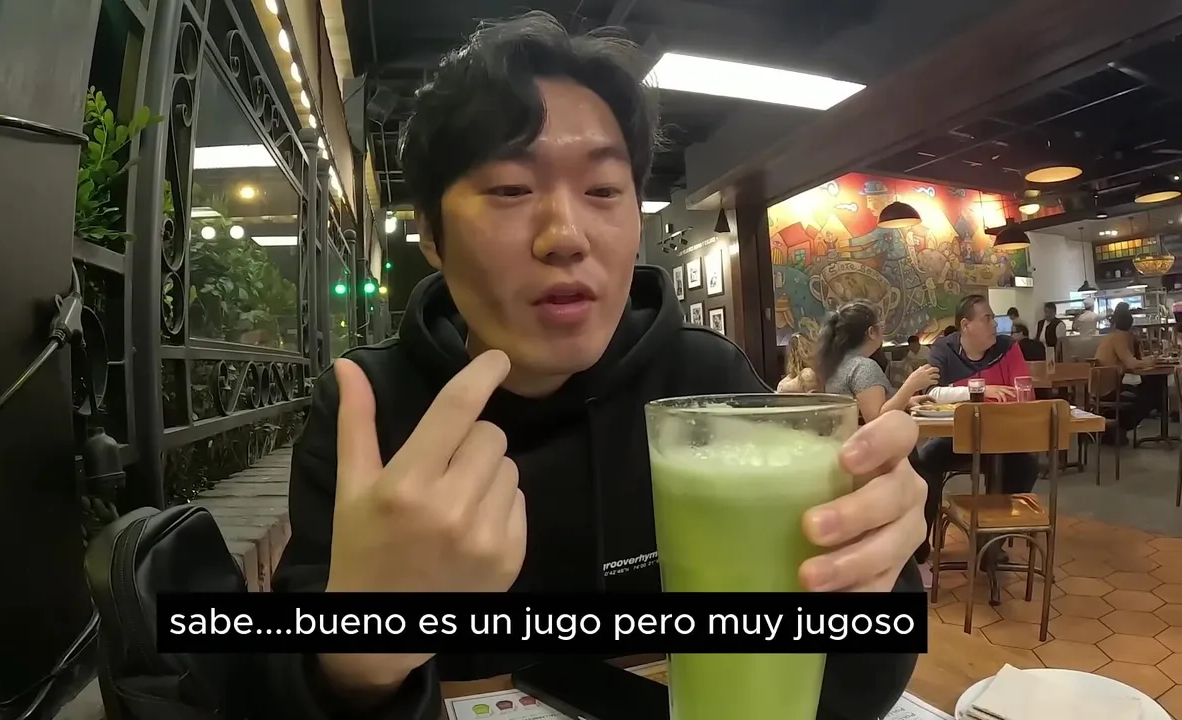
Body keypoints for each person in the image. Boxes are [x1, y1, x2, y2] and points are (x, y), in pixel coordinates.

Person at [265, 13, 926, 720]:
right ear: (430, 233)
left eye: (605, 191)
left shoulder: (704, 387)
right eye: (510, 189)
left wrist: (873, 572)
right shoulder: (369, 411)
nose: (565, 236)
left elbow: (838, 683)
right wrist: (355, 662)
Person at [917, 296, 1026, 563]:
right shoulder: (944, 349)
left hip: (1003, 439)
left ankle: (992, 541)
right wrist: (981, 390)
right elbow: (930, 393)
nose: (995, 325)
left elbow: (1023, 393)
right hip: (957, 439)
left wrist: (956, 392)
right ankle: (920, 544)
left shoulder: (1008, 348)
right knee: (926, 460)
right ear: (966, 325)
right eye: (987, 319)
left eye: (994, 318)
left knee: (1026, 465)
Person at [817, 302, 938, 424]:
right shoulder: (863, 366)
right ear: (871, 332)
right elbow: (876, 420)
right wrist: (911, 385)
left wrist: (906, 400)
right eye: (881, 326)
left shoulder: (837, 363)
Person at [1093, 304, 1161, 440]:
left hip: (1100, 386)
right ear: (1130, 324)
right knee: (1150, 395)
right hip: (1108, 389)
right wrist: (1151, 361)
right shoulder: (1120, 337)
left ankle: (1116, 429)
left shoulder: (1111, 337)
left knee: (1146, 389)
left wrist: (1145, 360)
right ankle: (1121, 426)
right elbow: (1131, 363)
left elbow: (1130, 361)